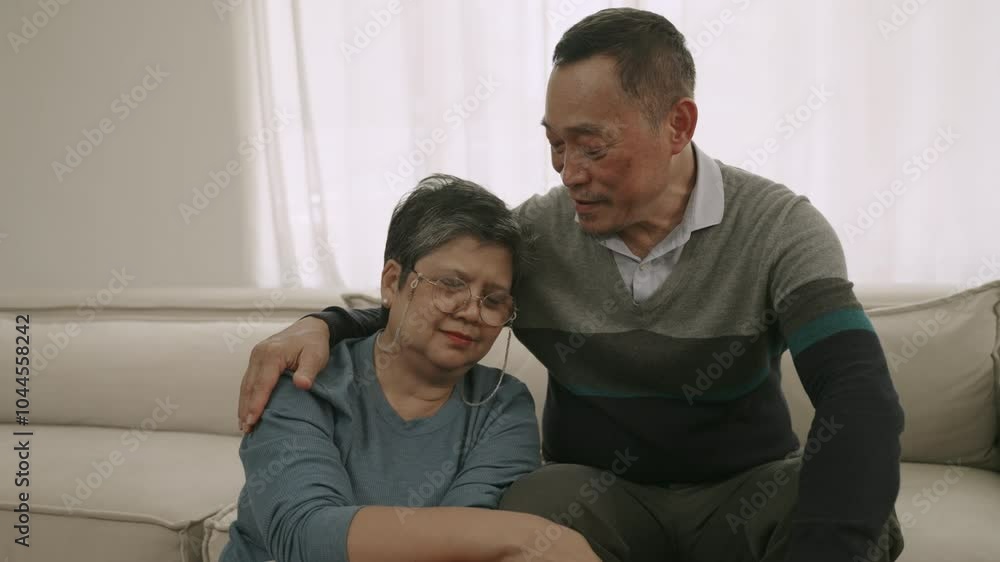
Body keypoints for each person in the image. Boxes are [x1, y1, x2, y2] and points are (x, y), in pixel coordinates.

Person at [237, 8, 905, 562]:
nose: (569, 172)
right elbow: (441, 287)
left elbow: (859, 395)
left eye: (591, 145)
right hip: (599, 504)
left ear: (678, 125)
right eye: (556, 145)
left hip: (740, 494)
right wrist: (323, 324)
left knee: (857, 510)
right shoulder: (536, 238)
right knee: (535, 499)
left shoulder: (780, 228)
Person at [222, 174, 601, 562]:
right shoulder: (304, 377)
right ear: (392, 282)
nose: (471, 311)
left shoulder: (504, 405)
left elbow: (466, 550)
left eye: (494, 299)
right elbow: (304, 536)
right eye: (451, 284)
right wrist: (528, 533)